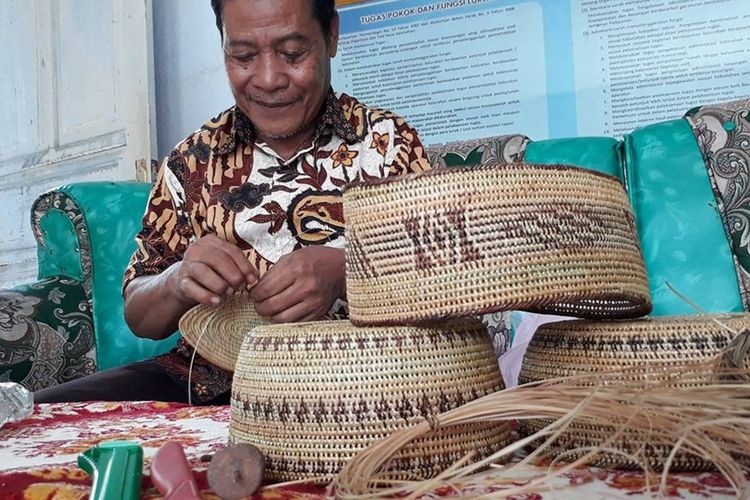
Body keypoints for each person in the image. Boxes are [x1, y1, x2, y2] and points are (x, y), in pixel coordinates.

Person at [35, 0, 431, 404]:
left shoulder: (387, 145)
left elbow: (445, 274)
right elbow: (140, 314)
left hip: (357, 378)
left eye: (293, 54)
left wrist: (346, 270)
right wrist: (178, 280)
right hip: (208, 379)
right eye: (242, 56)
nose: (269, 78)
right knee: (40, 418)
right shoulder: (192, 161)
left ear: (331, 35)